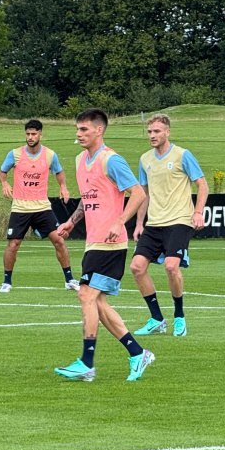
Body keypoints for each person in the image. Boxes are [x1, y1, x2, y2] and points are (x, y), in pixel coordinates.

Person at [55, 108, 154, 383]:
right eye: (77, 129)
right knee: (97, 302)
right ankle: (137, 353)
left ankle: (87, 363)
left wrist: (119, 221)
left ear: (99, 130)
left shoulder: (112, 161)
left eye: (84, 129)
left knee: (85, 295)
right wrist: (72, 221)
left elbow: (139, 193)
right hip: (92, 242)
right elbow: (88, 201)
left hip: (111, 244)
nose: (79, 133)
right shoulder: (79, 160)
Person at [130, 114, 208, 338]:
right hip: (154, 223)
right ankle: (156, 319)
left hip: (179, 221)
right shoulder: (145, 159)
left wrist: (198, 212)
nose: (152, 135)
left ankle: (179, 317)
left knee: (171, 267)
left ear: (167, 132)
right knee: (136, 267)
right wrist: (138, 224)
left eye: (156, 131)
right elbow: (142, 195)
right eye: (149, 132)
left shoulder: (182, 155)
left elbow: (202, 185)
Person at [0, 119, 78, 293]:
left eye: (34, 134)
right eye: (28, 134)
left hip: (42, 207)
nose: (30, 137)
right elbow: (3, 171)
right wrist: (5, 183)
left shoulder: (49, 155)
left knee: (59, 240)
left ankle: (69, 279)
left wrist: (63, 186)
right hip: (20, 207)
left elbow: (59, 172)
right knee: (13, 244)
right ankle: (6, 282)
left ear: (40, 135)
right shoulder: (15, 154)